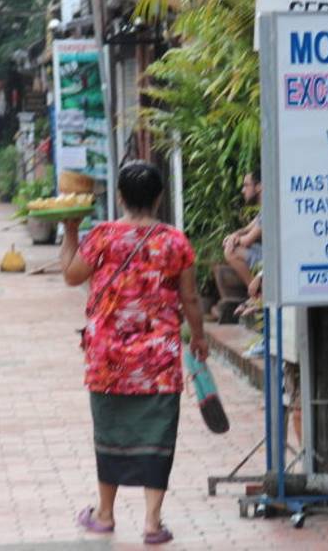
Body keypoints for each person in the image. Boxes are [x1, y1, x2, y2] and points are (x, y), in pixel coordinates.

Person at [60, 160, 208, 544]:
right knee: (159, 433)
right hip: (159, 356)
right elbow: (190, 297)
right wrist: (199, 337)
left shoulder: (103, 236)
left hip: (107, 356)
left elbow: (71, 275)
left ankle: (104, 513)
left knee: (109, 429)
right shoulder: (175, 241)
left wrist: (70, 230)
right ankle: (152, 523)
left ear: (120, 197)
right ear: (159, 198)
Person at [222, 169, 262, 287]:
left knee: (231, 251)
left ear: (259, 187)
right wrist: (234, 236)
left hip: (274, 260)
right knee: (233, 246)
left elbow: (247, 240)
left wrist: (233, 240)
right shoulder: (264, 210)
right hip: (268, 255)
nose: (243, 190)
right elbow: (246, 229)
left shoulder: (270, 210)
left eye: (246, 185)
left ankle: (257, 292)